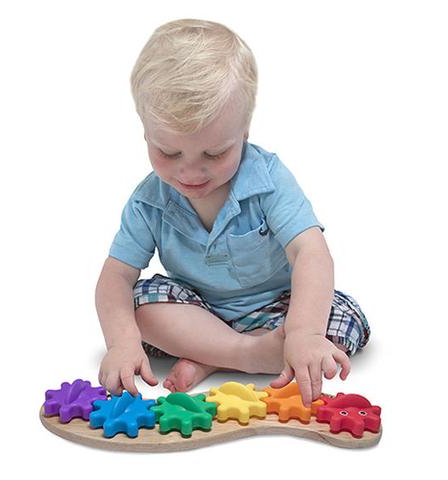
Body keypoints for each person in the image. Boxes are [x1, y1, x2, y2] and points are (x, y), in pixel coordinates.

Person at [95, 19, 370, 408]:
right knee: (139, 305)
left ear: (244, 131)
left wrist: (304, 334)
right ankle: (245, 354)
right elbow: (116, 277)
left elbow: (310, 251)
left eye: (215, 153)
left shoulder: (268, 180)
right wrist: (122, 342)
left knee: (344, 318)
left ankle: (213, 355)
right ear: (146, 133)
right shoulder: (149, 201)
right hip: (195, 312)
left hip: (280, 307)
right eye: (169, 152)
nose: (190, 172)